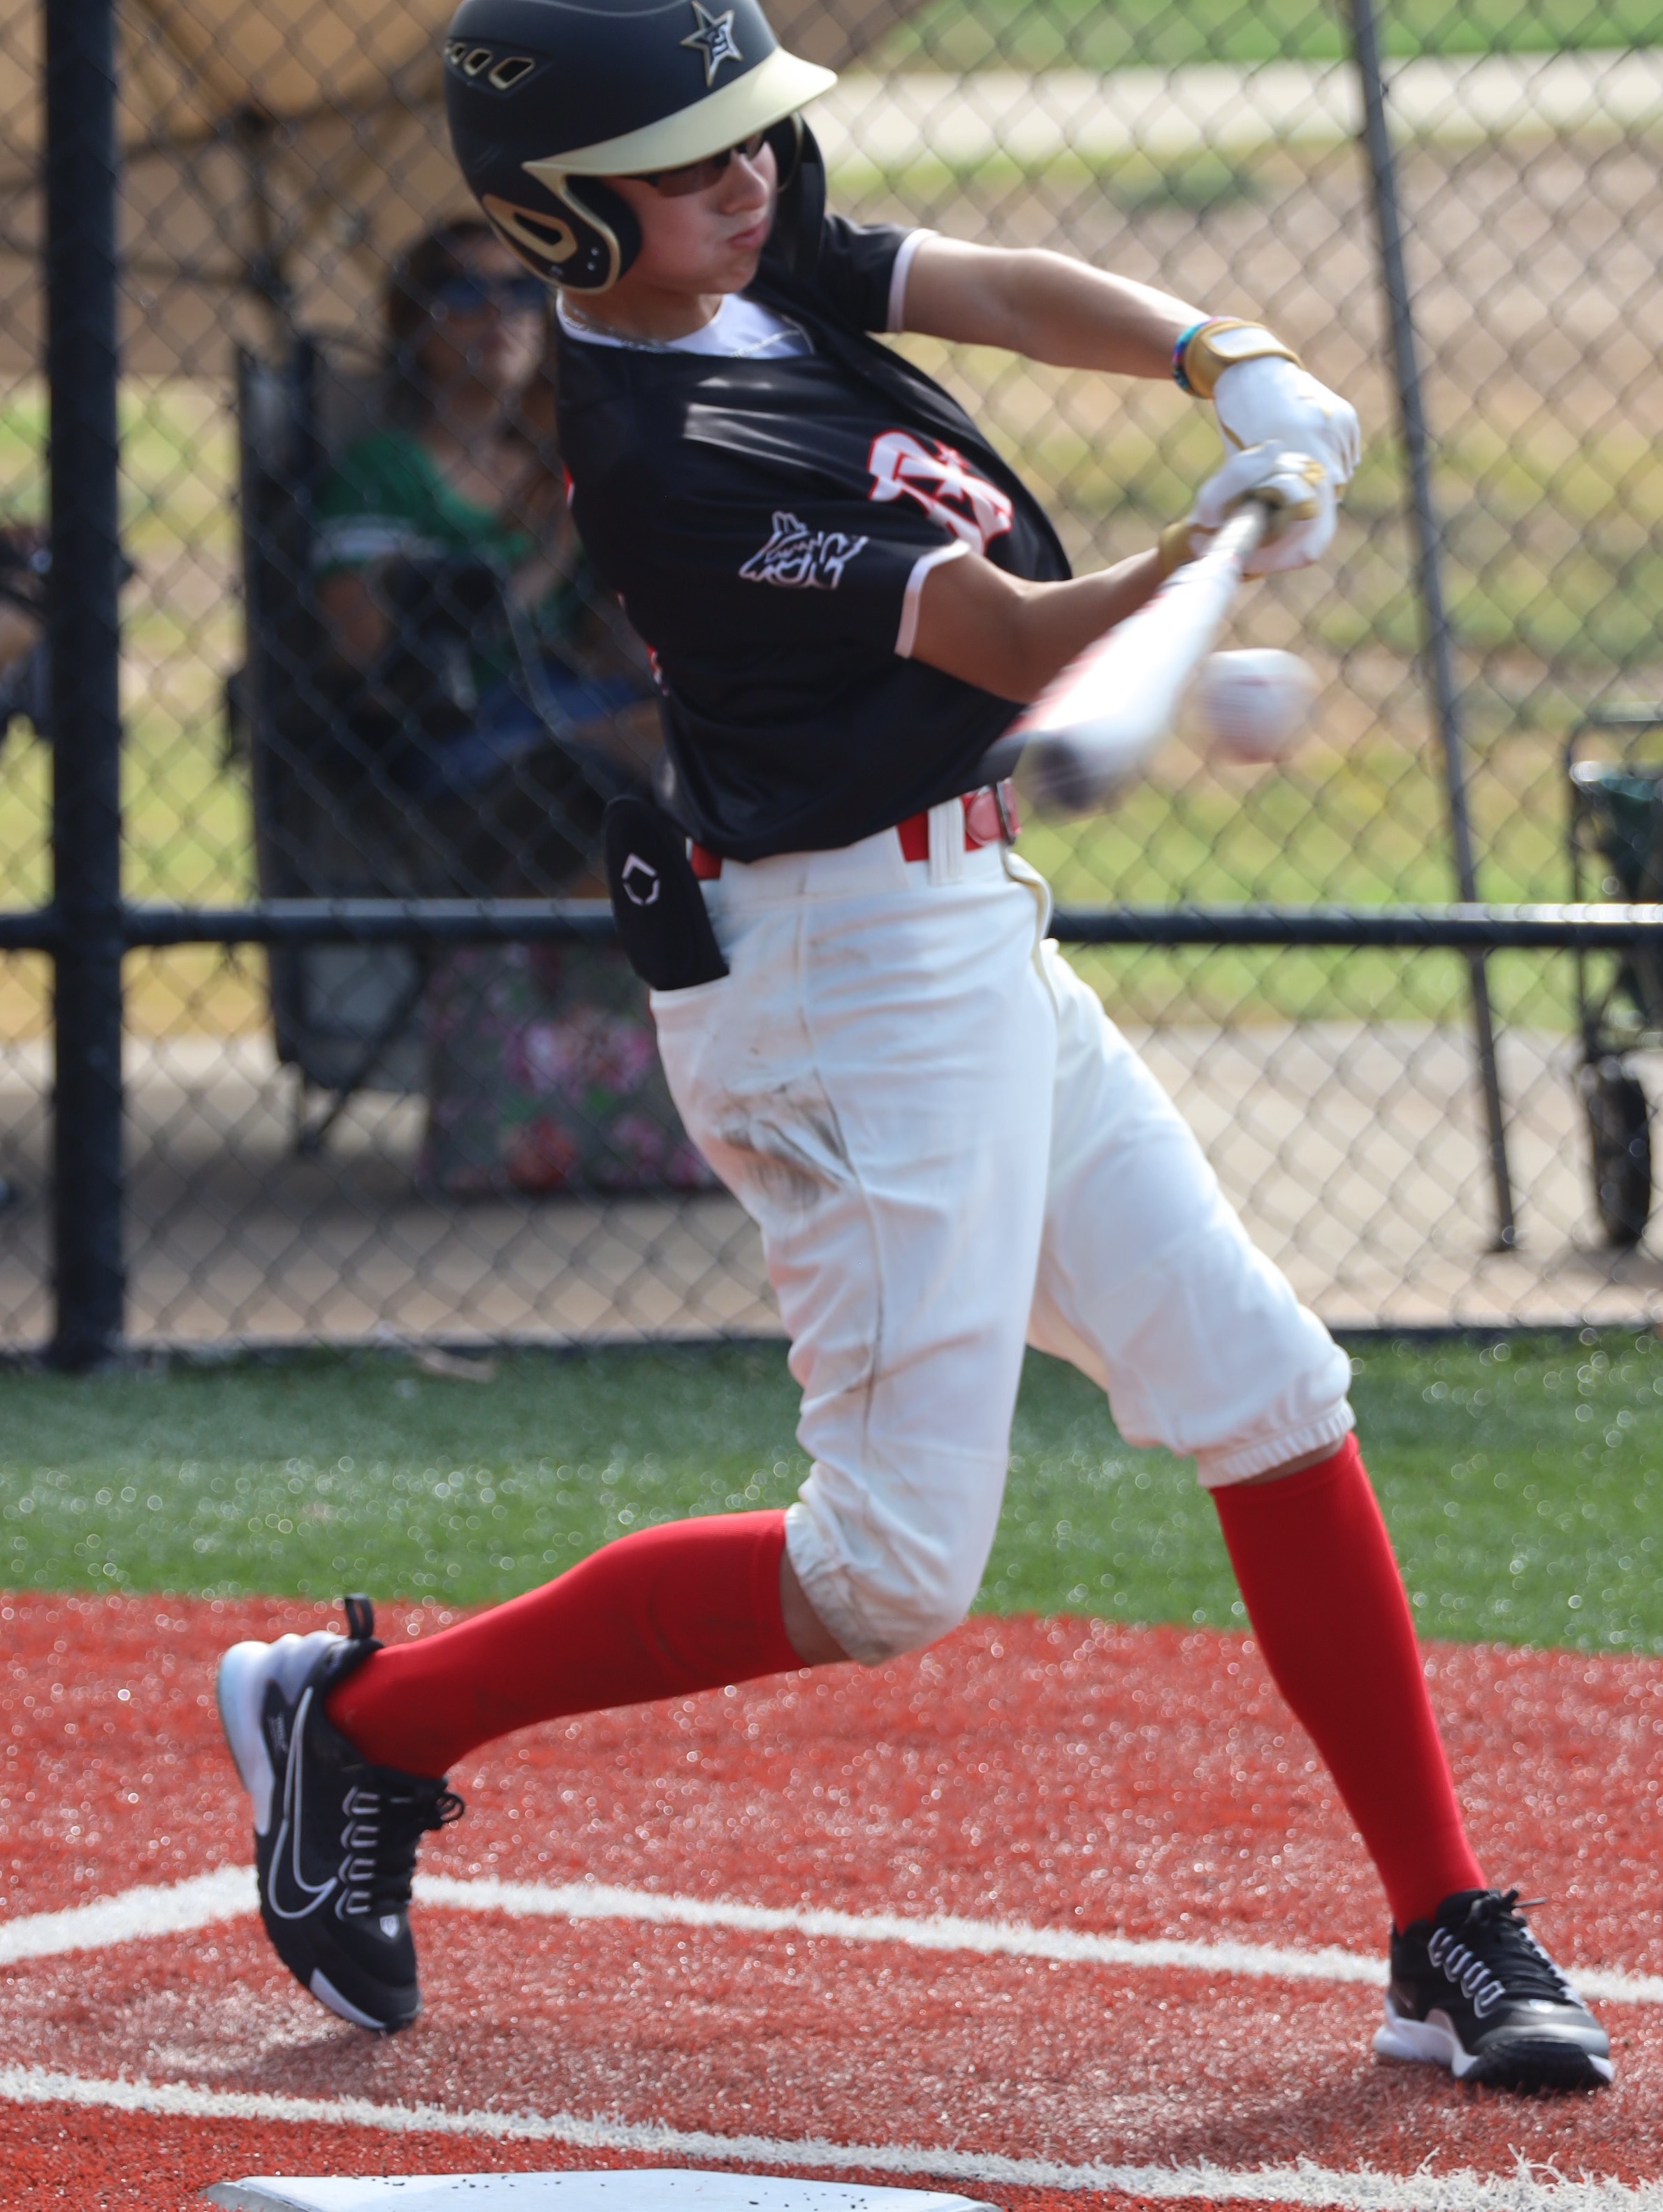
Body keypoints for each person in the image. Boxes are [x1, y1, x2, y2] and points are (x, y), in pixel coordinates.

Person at [213, 0, 1611, 2094]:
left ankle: (1440, 1920)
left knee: (1263, 1385)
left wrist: (1218, 358)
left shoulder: (752, 251)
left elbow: (1000, 290)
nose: (747, 178)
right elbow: (1009, 636)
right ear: (564, 219)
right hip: (835, 982)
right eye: (690, 164)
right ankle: (367, 1724)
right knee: (882, 1570)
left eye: (750, 138)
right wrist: (1196, 555)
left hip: (963, 923)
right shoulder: (662, 457)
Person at [312, 218, 709, 1193]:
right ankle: (577, 999)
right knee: (682, 766)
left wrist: (626, 546)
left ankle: (623, 1034)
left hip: (578, 721)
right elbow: (366, 650)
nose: (500, 315)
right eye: (465, 294)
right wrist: (543, 558)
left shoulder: (556, 462)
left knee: (720, 734)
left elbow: (611, 648)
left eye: (525, 293)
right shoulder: (385, 472)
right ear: (416, 326)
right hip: (457, 745)